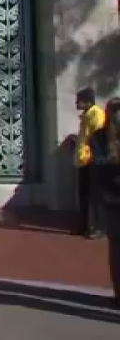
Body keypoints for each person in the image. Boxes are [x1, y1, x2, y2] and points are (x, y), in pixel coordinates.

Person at [87, 98, 120, 307]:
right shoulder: (100, 138)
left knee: (116, 247)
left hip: (110, 197)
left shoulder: (98, 137)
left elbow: (98, 168)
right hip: (112, 197)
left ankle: (119, 293)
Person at [75, 88, 107, 238]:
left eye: (79, 100)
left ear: (87, 101)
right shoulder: (87, 115)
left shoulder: (96, 114)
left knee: (95, 196)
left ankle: (97, 228)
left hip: (91, 160)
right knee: (84, 195)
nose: (76, 103)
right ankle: (84, 226)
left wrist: (92, 156)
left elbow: (98, 138)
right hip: (83, 160)